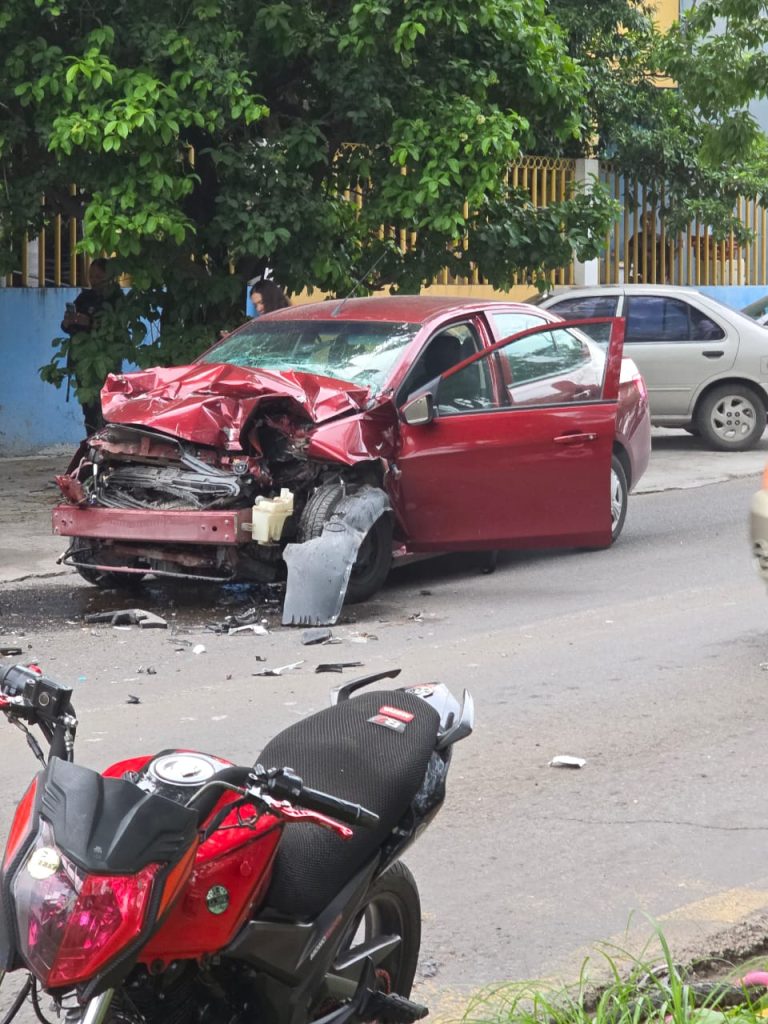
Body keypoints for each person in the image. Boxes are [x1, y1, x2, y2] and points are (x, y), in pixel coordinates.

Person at [60, 258, 123, 434]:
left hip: (106, 362)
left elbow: (115, 330)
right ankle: (92, 446)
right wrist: (68, 321)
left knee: (106, 408)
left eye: (98, 276)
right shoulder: (84, 297)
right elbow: (67, 327)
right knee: (89, 409)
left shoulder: (116, 299)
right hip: (83, 363)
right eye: (91, 276)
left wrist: (90, 322)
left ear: (109, 276)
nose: (93, 280)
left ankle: (108, 447)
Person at [627, 211, 674, 283]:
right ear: (641, 223)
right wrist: (627, 276)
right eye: (644, 220)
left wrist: (668, 275)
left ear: (654, 223)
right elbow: (628, 258)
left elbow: (668, 258)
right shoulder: (636, 238)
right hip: (640, 279)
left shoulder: (660, 239)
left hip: (657, 279)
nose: (647, 222)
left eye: (649, 219)